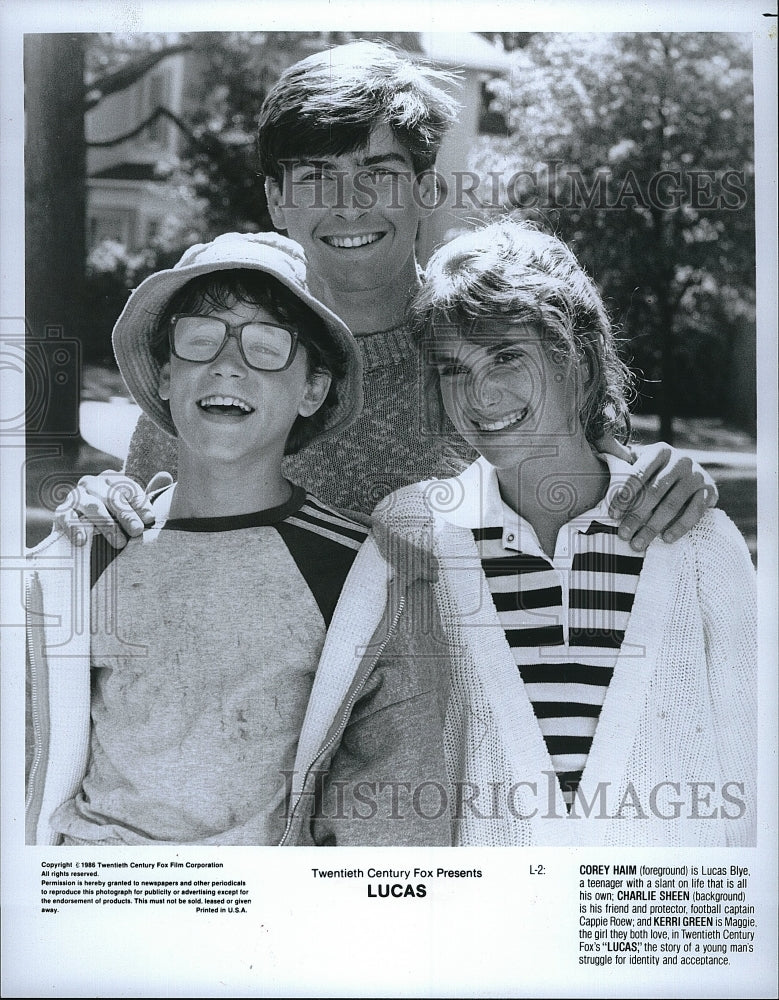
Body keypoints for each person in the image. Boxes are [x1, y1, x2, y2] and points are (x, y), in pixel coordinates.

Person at [59, 40, 717, 550]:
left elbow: (609, 488)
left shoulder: (487, 347)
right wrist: (100, 501)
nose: (348, 204)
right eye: (316, 176)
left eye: (378, 172)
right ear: (277, 200)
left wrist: (674, 480)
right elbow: (146, 514)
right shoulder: (222, 359)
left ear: (427, 191)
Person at [25, 231, 451, 847]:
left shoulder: (361, 577)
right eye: (200, 338)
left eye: (268, 344)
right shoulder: (92, 547)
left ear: (313, 389)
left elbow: (389, 821)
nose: (228, 364)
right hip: (91, 901)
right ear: (167, 375)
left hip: (257, 921)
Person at [374, 218, 756, 847]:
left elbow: (754, 769)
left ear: (577, 357)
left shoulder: (694, 540)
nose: (480, 392)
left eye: (505, 355)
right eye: (452, 367)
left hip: (659, 936)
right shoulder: (421, 540)